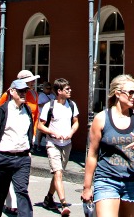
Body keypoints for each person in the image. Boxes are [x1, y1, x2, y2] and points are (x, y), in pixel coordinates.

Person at [81, 74, 134, 217]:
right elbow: (92, 154)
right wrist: (87, 187)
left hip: (133, 181)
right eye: (130, 92)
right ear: (117, 93)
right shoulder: (101, 118)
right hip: (106, 180)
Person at [0, 69, 42, 215]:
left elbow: (36, 115)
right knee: (5, 174)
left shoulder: (33, 94)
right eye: (30, 80)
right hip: (8, 137)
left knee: (21, 178)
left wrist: (32, 135)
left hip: (26, 136)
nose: (33, 83)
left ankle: (16, 204)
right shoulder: (8, 95)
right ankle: (10, 203)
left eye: (33, 80)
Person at [38, 78, 79, 216]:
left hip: (66, 144)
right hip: (52, 144)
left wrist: (71, 133)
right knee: (58, 173)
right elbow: (40, 125)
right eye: (67, 89)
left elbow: (76, 122)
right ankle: (63, 204)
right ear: (59, 91)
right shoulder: (49, 106)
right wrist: (53, 133)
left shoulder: (72, 105)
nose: (70, 90)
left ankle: (49, 198)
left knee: (58, 173)